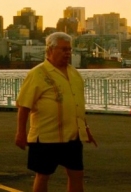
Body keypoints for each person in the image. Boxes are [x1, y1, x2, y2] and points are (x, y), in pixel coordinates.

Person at [15, 32, 95, 192]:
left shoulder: (74, 73)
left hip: (72, 136)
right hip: (46, 136)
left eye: (69, 49)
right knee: (43, 175)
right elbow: (24, 106)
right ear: (50, 49)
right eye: (63, 49)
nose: (67, 53)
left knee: (77, 173)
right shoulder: (38, 74)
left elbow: (77, 104)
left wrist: (85, 128)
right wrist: (21, 133)